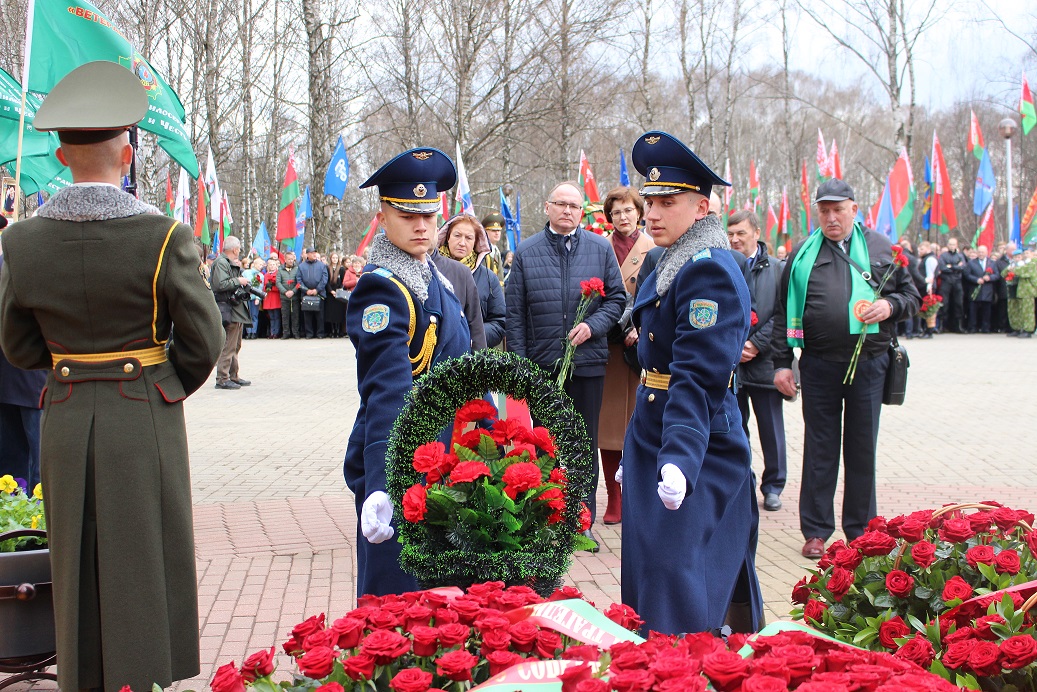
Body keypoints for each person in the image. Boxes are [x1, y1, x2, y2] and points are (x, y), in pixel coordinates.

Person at [0, 62, 223, 692]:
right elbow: (204, 339)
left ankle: (81, 676)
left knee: (72, 557)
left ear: (61, 156)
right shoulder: (163, 236)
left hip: (67, 414)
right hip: (143, 413)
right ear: (128, 155)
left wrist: (69, 368)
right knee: (145, 555)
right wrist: (164, 384)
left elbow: (17, 343)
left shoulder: (21, 242)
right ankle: (145, 677)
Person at [619, 130, 762, 636]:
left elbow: (697, 377)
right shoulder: (669, 259)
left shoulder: (708, 271)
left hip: (696, 440)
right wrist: (638, 442)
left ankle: (682, 668)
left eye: (668, 202)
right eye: (650, 201)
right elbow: (654, 366)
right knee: (649, 568)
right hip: (656, 430)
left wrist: (679, 457)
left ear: (702, 207)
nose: (652, 214)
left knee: (677, 575)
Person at [345, 147, 471, 597]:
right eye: (407, 215)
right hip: (406, 461)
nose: (421, 226)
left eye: (429, 215)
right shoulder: (382, 289)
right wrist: (385, 483)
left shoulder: (431, 276)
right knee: (399, 599)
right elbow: (387, 390)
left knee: (440, 596)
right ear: (382, 217)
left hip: (444, 454)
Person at [771, 179, 919, 559]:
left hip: (869, 364)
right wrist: (782, 364)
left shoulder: (883, 248)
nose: (831, 217)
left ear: (854, 209)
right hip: (818, 365)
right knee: (819, 449)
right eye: (824, 210)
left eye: (838, 209)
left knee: (861, 448)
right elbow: (781, 310)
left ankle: (862, 531)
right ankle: (816, 530)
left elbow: (912, 296)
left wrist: (890, 307)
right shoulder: (802, 253)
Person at [505, 179, 626, 549]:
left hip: (587, 363)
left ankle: (580, 518)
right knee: (546, 443)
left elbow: (616, 299)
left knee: (583, 442)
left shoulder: (600, 248)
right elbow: (515, 314)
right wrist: (522, 367)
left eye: (574, 206)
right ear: (548, 207)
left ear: (581, 212)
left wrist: (593, 326)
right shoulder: (526, 251)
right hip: (543, 366)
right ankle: (548, 517)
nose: (568, 211)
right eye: (561, 204)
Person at [598, 186, 654, 524]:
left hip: (638, 349)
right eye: (616, 212)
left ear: (639, 212)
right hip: (606, 347)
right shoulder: (599, 247)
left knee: (639, 424)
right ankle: (614, 498)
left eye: (628, 210)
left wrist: (642, 326)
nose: (623, 217)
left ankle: (637, 494)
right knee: (608, 428)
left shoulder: (654, 247)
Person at [727, 210, 787, 512]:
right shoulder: (725, 264)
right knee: (737, 428)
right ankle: (743, 481)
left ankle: (773, 486)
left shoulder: (777, 269)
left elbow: (783, 313)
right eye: (731, 234)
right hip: (733, 364)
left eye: (741, 233)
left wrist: (756, 343)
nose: (735, 239)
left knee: (771, 429)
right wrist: (735, 344)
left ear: (756, 233)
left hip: (765, 362)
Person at [0, 256, 47, 490]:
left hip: (31, 379)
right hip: (18, 379)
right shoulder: (12, 261)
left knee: (35, 468)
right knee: (16, 471)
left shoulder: (19, 261)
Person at [438, 214, 506, 348]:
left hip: (473, 355)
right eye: (457, 235)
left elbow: (499, 322)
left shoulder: (489, 278)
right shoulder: (430, 269)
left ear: (476, 242)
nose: (462, 243)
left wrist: (471, 336)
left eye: (469, 238)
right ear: (447, 237)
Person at [211, 236, 253, 389]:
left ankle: (233, 376)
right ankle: (222, 378)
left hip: (234, 309)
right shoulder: (221, 263)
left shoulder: (227, 263)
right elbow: (220, 284)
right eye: (239, 248)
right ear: (235, 249)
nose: (239, 251)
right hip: (228, 308)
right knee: (228, 345)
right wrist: (239, 281)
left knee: (235, 345)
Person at [964, 244, 998, 334]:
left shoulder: (992, 263)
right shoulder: (971, 263)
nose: (981, 254)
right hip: (974, 290)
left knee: (987, 311)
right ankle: (972, 327)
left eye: (983, 252)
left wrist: (990, 278)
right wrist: (976, 280)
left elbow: (997, 275)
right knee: (973, 311)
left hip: (987, 291)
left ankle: (986, 328)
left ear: (987, 252)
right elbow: (967, 274)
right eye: (979, 252)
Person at [1004, 249, 1037, 338]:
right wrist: (1010, 268)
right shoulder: (1019, 263)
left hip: (1027, 291)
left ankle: (1028, 330)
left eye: (1028, 253)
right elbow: (1003, 273)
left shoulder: (1033, 263)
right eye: (1025, 253)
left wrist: (1013, 269)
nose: (1026, 255)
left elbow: (1022, 271)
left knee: (1027, 311)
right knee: (1017, 310)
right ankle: (1017, 328)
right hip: (1017, 289)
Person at [937, 237, 967, 333]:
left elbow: (963, 267)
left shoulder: (960, 256)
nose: (951, 246)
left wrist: (951, 266)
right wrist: (956, 267)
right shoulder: (943, 256)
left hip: (957, 282)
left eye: (953, 244)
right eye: (950, 244)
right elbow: (943, 268)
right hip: (946, 281)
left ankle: (958, 326)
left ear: (956, 245)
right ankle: (942, 326)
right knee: (944, 303)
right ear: (947, 245)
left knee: (959, 303)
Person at [298, 247, 328, 339]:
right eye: (312, 253)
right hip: (306, 294)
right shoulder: (301, 266)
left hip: (319, 294)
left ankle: (320, 333)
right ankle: (309, 333)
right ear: (307, 254)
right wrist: (306, 290)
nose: (314, 254)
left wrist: (317, 290)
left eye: (315, 253)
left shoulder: (322, 265)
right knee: (307, 315)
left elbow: (324, 279)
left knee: (320, 315)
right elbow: (299, 280)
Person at [277, 251, 302, 339]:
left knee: (295, 315)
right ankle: (286, 333)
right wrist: (285, 292)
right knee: (285, 315)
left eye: (292, 259)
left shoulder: (297, 269)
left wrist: (293, 291)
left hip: (295, 296)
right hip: (284, 297)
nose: (291, 261)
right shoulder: (280, 270)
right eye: (289, 259)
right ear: (285, 260)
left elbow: (299, 282)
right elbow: (278, 282)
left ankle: (295, 332)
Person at [325, 252, 347, 337]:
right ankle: (332, 330)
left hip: (339, 293)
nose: (335, 259)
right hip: (330, 294)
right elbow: (326, 282)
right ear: (330, 259)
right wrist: (331, 291)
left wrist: (339, 290)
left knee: (338, 313)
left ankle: (338, 331)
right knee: (331, 313)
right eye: (333, 258)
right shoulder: (327, 268)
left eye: (336, 258)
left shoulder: (341, 269)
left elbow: (343, 281)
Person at [481, 212, 507, 282]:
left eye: (499, 231)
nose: (497, 233)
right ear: (485, 232)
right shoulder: (482, 251)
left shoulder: (496, 250)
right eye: (493, 230)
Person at [262, 257, 282, 338]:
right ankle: (272, 332)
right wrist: (267, 287)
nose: (272, 266)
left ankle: (276, 332)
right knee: (271, 317)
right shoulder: (266, 275)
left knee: (276, 316)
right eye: (270, 265)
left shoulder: (278, 274)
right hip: (268, 298)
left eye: (273, 264)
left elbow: (279, 287)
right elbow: (264, 287)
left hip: (275, 298)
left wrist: (272, 287)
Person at [245, 257, 265, 339]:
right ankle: (248, 332)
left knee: (254, 315)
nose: (261, 266)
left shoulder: (261, 276)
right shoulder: (246, 272)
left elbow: (260, 288)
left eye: (262, 265)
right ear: (255, 264)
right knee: (247, 315)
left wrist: (257, 298)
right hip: (246, 297)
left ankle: (253, 332)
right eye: (259, 264)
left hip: (254, 297)